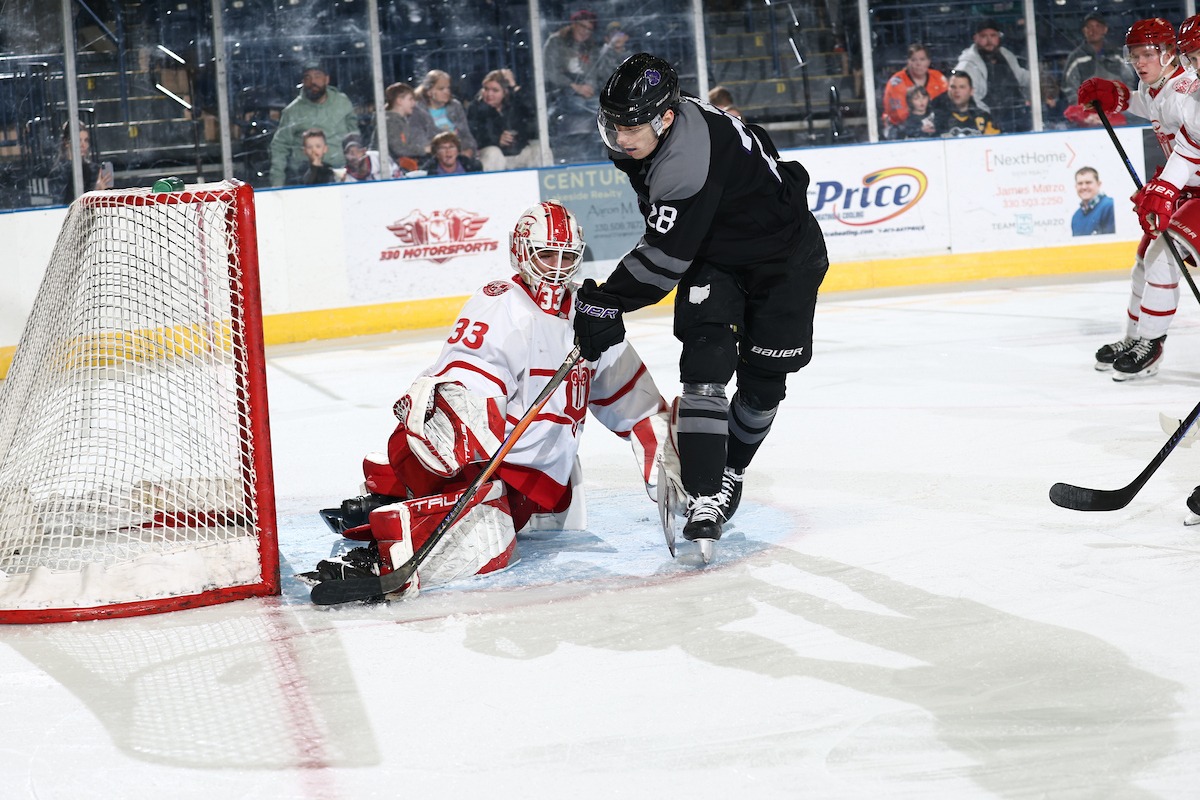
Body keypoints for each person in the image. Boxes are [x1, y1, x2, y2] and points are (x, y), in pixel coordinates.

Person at [303, 201, 668, 597]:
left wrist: (671, 465)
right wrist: (466, 449)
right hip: (486, 464)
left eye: (567, 257)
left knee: (515, 520)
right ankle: (391, 529)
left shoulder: (589, 315)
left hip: (537, 478)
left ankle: (391, 497)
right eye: (547, 254)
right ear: (521, 252)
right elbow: (468, 380)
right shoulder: (502, 303)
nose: (558, 268)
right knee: (486, 546)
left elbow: (634, 402)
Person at [573, 53, 829, 552]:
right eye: (612, 124)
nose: (620, 138)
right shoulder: (664, 131)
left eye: (631, 126)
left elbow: (665, 257)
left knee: (762, 386)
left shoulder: (685, 163)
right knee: (705, 361)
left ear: (665, 118)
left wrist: (608, 301)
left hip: (787, 259)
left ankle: (731, 469)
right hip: (717, 253)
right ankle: (705, 493)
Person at [1080, 16, 1200, 380]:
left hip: (1191, 189)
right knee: (1144, 262)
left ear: (1167, 54)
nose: (1141, 62)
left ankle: (1151, 341)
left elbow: (1191, 148)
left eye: (1148, 53)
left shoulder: (1187, 91)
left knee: (1160, 258)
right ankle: (1136, 338)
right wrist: (1118, 97)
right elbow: (1152, 108)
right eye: (1135, 55)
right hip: (1184, 190)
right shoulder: (1163, 87)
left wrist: (1163, 188)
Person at [269, 60, 360, 187]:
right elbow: (279, 147)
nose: (313, 82)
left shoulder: (342, 102)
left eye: (317, 76)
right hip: (304, 177)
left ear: (326, 79)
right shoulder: (292, 111)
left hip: (341, 174)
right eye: (308, 77)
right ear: (303, 82)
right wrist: (277, 183)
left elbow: (354, 134)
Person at [953, 18, 1031, 133]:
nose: (989, 40)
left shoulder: (1006, 55)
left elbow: (1021, 77)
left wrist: (1038, 81)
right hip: (991, 121)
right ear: (976, 38)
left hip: (1018, 115)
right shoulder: (967, 65)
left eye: (993, 35)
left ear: (998, 37)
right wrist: (986, 118)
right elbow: (969, 98)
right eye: (984, 36)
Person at [543, 8, 601, 159]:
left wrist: (590, 87)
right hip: (560, 90)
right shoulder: (556, 41)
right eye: (583, 26)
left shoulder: (590, 45)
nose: (586, 32)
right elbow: (550, 72)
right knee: (578, 104)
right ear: (574, 24)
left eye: (589, 29)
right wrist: (574, 86)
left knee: (600, 105)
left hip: (583, 91)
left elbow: (593, 72)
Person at [467, 69, 541, 172]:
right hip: (492, 155)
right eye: (486, 89)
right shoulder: (475, 108)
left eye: (495, 90)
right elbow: (475, 136)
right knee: (493, 152)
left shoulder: (514, 103)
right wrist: (497, 139)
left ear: (505, 92)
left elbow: (534, 112)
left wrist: (514, 87)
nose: (489, 94)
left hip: (517, 153)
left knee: (539, 148)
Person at [1061, 12, 1135, 102]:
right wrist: (1083, 110)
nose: (1093, 30)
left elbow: (1129, 80)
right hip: (1088, 110)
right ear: (1084, 31)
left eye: (1097, 26)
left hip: (1118, 108)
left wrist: (1122, 103)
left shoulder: (1117, 54)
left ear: (1105, 29)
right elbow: (1069, 88)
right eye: (1089, 27)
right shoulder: (1075, 57)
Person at [881, 44, 948, 138]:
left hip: (932, 125)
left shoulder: (938, 78)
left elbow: (947, 107)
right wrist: (919, 126)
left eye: (922, 59)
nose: (918, 63)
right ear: (908, 62)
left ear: (928, 61)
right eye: (913, 60)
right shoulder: (896, 82)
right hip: (900, 128)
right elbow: (899, 117)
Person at [414, 69, 478, 158]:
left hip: (461, 153)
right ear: (429, 92)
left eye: (448, 88)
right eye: (441, 89)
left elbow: (466, 134)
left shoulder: (455, 106)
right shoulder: (418, 110)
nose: (447, 92)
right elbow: (421, 141)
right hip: (435, 156)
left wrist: (469, 150)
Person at [47, 120, 113, 203]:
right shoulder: (57, 173)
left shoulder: (94, 170)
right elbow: (61, 204)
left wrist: (102, 192)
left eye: (86, 140)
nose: (83, 145)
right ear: (66, 142)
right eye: (79, 140)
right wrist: (94, 191)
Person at [375, 82, 433, 169]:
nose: (414, 104)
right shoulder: (390, 122)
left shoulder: (400, 121)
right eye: (410, 99)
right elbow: (399, 149)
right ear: (399, 101)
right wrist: (424, 149)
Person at [930, 70, 1001, 137]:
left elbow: (995, 144)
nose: (957, 91)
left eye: (962, 87)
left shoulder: (984, 117)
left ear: (971, 91)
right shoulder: (936, 117)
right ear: (948, 90)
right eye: (953, 87)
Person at [1070, 167, 1115, 236]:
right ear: (1075, 186)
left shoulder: (1110, 206)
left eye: (1088, 182)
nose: (1084, 187)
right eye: (1080, 183)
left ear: (1099, 184)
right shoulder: (1076, 216)